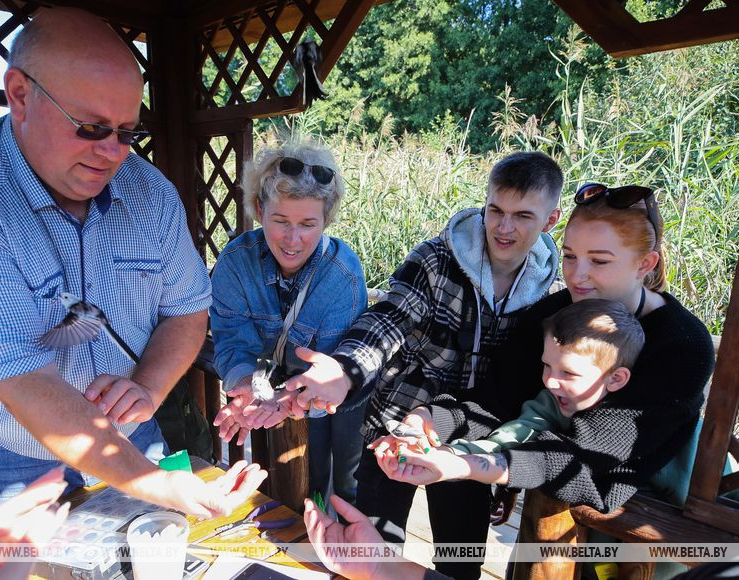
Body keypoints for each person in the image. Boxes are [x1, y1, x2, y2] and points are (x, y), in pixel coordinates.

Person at [0, 7, 265, 519]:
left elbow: (188, 309)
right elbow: (22, 378)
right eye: (90, 127)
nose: (112, 153)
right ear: (20, 94)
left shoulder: (149, 194)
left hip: (133, 433)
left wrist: (147, 389)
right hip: (6, 452)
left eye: (127, 132)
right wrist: (161, 485)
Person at [387, 182, 715, 577]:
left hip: (652, 513)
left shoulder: (682, 345)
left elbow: (592, 457)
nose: (578, 276)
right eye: (571, 256)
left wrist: (474, 464)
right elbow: (497, 400)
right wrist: (427, 420)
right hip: (552, 486)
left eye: (600, 261)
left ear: (645, 264)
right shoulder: (553, 316)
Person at [284, 151, 563, 577]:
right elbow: (388, 318)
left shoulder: (550, 293)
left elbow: (524, 387)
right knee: (371, 555)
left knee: (460, 562)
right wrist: (346, 369)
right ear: (484, 204)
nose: (504, 228)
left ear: (551, 219)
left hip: (469, 443)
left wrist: (505, 455)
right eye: (496, 211)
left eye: (523, 216)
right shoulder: (435, 260)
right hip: (394, 430)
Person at [210, 143, 368, 506]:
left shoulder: (343, 275)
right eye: (280, 221)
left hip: (339, 394)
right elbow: (233, 341)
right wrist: (248, 385)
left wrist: (290, 397)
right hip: (272, 390)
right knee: (287, 491)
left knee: (343, 485)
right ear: (258, 210)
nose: (292, 240)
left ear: (325, 221)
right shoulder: (235, 263)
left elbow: (334, 368)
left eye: (308, 224)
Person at [371, 299, 646, 491]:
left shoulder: (632, 421)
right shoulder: (550, 403)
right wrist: (449, 455)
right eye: (547, 366)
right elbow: (511, 436)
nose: (550, 381)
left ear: (617, 378)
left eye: (569, 374)